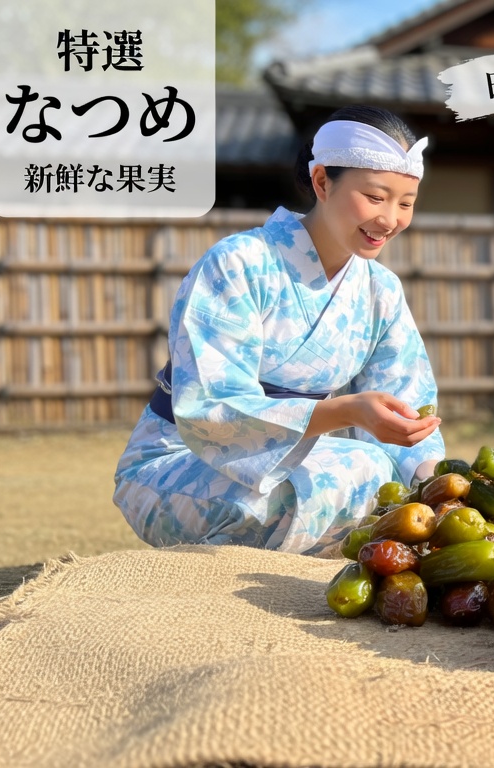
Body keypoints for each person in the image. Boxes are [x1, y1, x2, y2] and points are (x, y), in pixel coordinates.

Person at [113, 105, 445, 555]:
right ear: (322, 181)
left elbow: (406, 398)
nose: (390, 219)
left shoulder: (381, 290)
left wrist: (439, 492)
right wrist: (346, 412)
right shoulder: (238, 263)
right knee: (354, 472)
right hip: (181, 462)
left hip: (302, 463)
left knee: (379, 474)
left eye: (405, 203)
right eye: (374, 197)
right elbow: (211, 405)